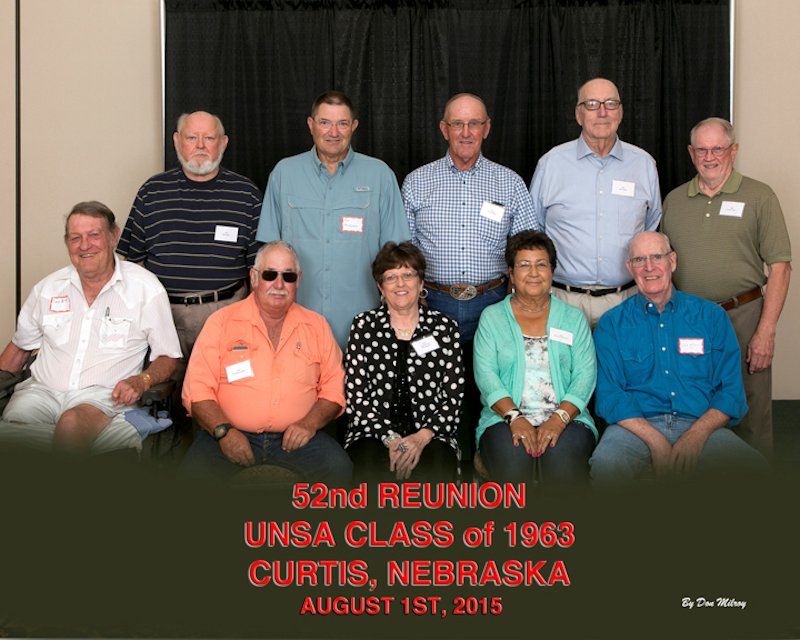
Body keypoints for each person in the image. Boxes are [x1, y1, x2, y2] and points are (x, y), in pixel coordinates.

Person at [0, 201, 181, 454]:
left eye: (94, 235)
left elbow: (168, 356)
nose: (85, 246)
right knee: (14, 433)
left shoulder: (145, 289)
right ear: (67, 244)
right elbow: (19, 348)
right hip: (40, 394)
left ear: (114, 236)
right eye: (76, 238)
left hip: (102, 398)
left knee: (71, 425)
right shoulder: (48, 289)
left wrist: (142, 380)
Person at [590, 231, 766, 484]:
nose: (649, 267)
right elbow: (610, 395)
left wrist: (696, 435)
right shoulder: (612, 324)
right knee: (606, 465)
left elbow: (731, 392)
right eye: (639, 260)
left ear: (672, 261)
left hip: (701, 424)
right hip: (635, 428)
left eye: (657, 257)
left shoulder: (711, 317)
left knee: (753, 468)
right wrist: (656, 441)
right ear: (630, 267)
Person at [661, 117, 791, 455]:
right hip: (689, 318)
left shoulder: (760, 196)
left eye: (717, 148)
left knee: (749, 400)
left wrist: (767, 330)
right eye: (701, 149)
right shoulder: (674, 201)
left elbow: (780, 267)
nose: (709, 156)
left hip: (743, 316)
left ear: (733, 150)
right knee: (691, 402)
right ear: (691, 153)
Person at [180, 241, 352, 483]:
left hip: (298, 438)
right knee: (191, 477)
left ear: (298, 280)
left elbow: (334, 388)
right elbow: (196, 390)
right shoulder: (221, 322)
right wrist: (224, 432)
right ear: (254, 277)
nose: (279, 285)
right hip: (228, 433)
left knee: (339, 469)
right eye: (270, 275)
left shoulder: (317, 326)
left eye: (288, 276)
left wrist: (308, 424)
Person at [117, 110, 262, 397]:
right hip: (162, 317)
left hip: (225, 314)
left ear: (223, 143)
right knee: (160, 399)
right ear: (176, 142)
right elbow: (132, 264)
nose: (200, 145)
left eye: (209, 138)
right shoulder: (152, 192)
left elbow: (257, 270)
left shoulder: (246, 194)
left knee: (228, 394)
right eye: (191, 137)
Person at [256, 91, 410, 348]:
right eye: (325, 122)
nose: (333, 132)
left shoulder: (380, 175)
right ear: (311, 125)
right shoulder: (284, 174)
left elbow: (395, 256)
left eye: (342, 123)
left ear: (354, 126)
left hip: (363, 323)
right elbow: (269, 254)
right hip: (295, 319)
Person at [402, 93, 539, 342]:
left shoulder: (510, 183)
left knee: (489, 380)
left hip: (494, 304)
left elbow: (529, 248)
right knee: (435, 381)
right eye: (458, 124)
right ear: (445, 129)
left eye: (474, 124)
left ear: (486, 129)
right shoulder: (416, 182)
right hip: (431, 303)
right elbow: (405, 250)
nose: (466, 133)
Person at [529, 78, 662, 327]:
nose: (602, 112)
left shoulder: (643, 165)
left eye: (611, 104)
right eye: (591, 104)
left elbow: (651, 225)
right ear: (579, 114)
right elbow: (535, 229)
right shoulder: (551, 164)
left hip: (626, 300)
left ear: (620, 112)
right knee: (563, 367)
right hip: (563, 301)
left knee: (625, 367)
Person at [473, 231, 597, 484]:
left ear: (552, 271)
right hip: (503, 419)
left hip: (567, 417)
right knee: (514, 468)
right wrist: (515, 418)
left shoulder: (573, 318)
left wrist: (559, 419)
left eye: (541, 264)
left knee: (561, 467)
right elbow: (486, 375)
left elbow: (585, 375)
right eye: (524, 265)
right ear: (511, 273)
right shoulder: (492, 317)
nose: (533, 273)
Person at [344, 241, 464, 482]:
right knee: (369, 468)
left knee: (438, 468)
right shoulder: (363, 326)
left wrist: (421, 437)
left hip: (432, 433)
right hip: (372, 432)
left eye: (408, 275)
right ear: (380, 286)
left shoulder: (444, 328)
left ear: (421, 283)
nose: (400, 284)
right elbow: (355, 395)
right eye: (391, 277)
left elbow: (453, 396)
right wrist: (391, 439)